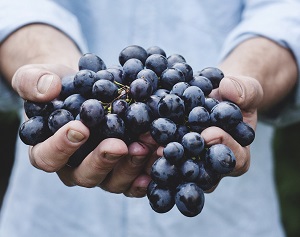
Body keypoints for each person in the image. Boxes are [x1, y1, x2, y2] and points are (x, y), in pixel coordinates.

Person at [0, 0, 299, 236]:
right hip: (54, 221)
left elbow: (286, 12)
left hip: (232, 222)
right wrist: (45, 66)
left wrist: (244, 80)